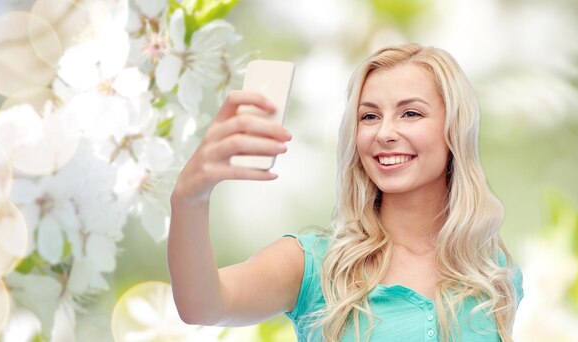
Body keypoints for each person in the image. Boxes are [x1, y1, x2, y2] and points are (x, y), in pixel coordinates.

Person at [167, 43, 523, 342]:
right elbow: (202, 305)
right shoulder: (313, 265)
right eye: (369, 117)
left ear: (454, 129)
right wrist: (188, 198)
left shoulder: (493, 273)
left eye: (410, 113)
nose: (384, 132)